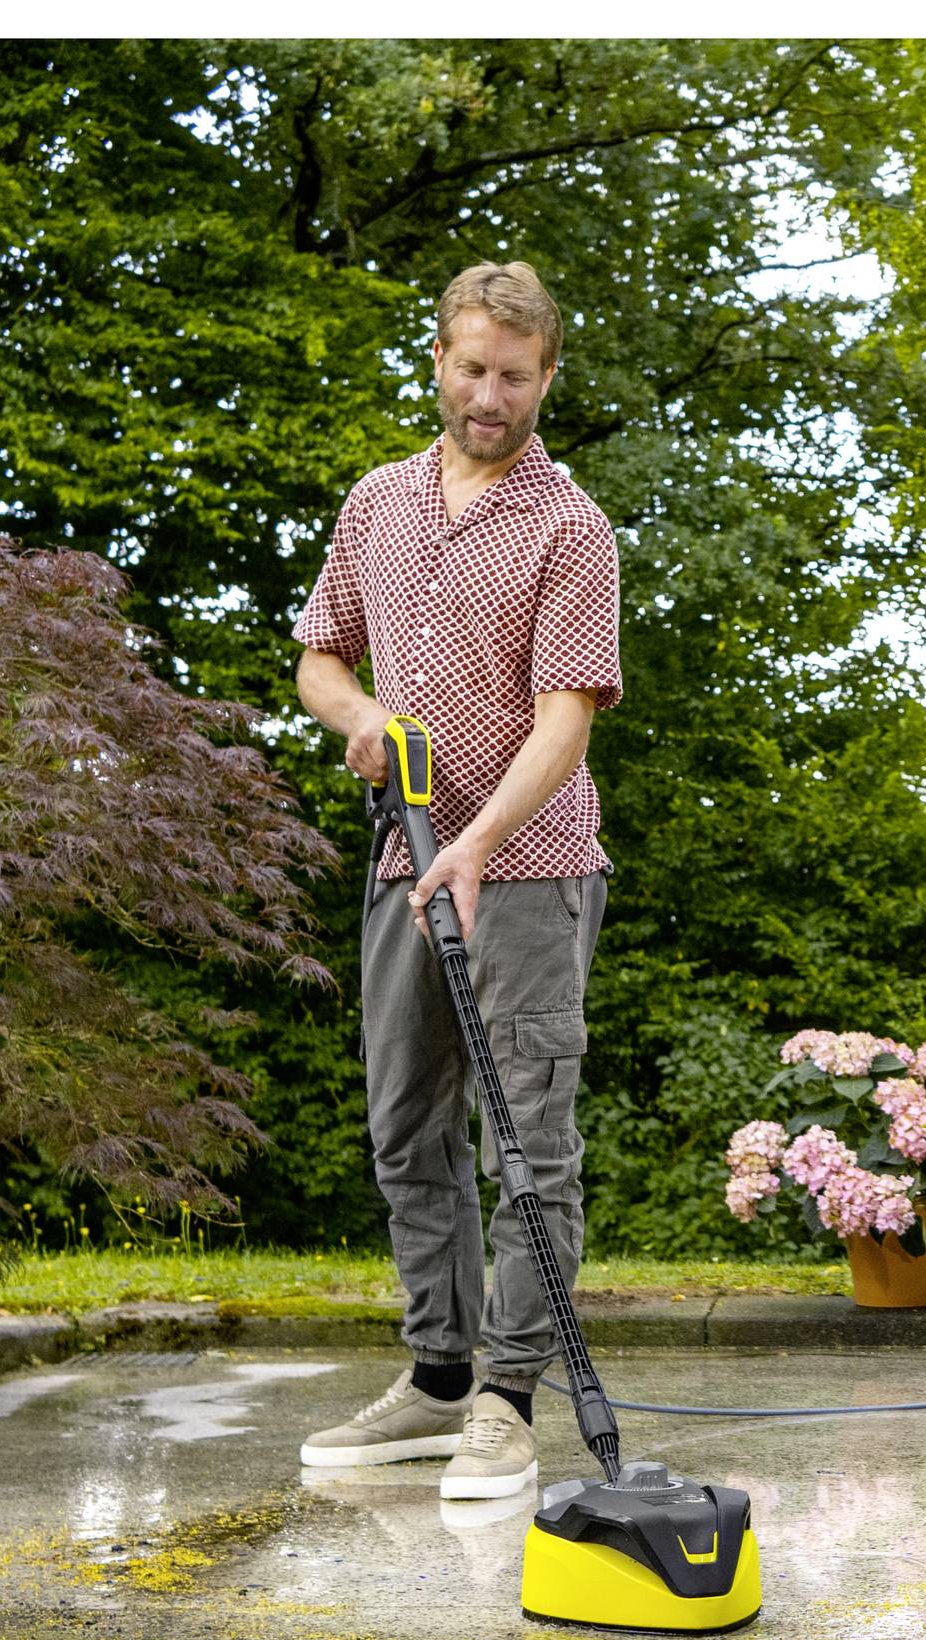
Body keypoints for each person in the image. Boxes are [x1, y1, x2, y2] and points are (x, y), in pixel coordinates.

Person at [288, 260, 621, 1499]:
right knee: (404, 1129)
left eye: (516, 377)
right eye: (474, 369)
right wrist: (362, 713)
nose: (491, 395)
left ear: (548, 379)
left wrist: (479, 842)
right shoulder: (377, 503)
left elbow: (566, 719)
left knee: (527, 1138)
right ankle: (436, 1377)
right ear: (440, 359)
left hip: (527, 870)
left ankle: (509, 1395)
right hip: (401, 862)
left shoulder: (569, 529)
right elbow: (321, 659)